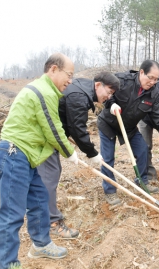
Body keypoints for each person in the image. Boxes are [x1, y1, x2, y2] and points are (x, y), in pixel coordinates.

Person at [0, 53, 79, 269]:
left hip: (27, 157)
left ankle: (41, 245)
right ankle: (8, 265)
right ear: (53, 69)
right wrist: (70, 152)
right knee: (11, 214)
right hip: (14, 155)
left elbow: (45, 129)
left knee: (40, 199)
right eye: (68, 74)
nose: (70, 80)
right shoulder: (43, 91)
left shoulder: (45, 91)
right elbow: (52, 130)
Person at [37, 71, 120, 238]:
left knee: (49, 176)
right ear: (98, 85)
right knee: (50, 176)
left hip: (52, 136)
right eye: (109, 92)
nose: (108, 97)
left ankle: (44, 215)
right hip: (45, 139)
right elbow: (78, 129)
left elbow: (70, 124)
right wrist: (92, 153)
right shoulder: (79, 96)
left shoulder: (83, 88)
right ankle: (51, 221)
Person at [97, 60, 159, 205]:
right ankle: (110, 191)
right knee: (108, 158)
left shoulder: (154, 94)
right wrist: (110, 105)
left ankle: (142, 181)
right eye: (150, 77)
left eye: (156, 79)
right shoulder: (122, 80)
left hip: (129, 127)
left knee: (142, 149)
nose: (153, 82)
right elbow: (104, 91)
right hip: (109, 124)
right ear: (141, 72)